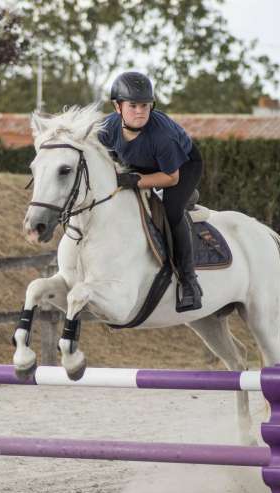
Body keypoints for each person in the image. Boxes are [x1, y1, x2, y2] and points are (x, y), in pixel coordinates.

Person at [98, 71, 203, 312]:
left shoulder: (162, 136)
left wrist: (134, 180)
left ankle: (189, 282)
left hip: (181, 168)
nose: (140, 111)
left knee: (172, 210)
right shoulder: (106, 128)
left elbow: (170, 177)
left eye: (145, 105)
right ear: (117, 107)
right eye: (133, 105)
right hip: (141, 164)